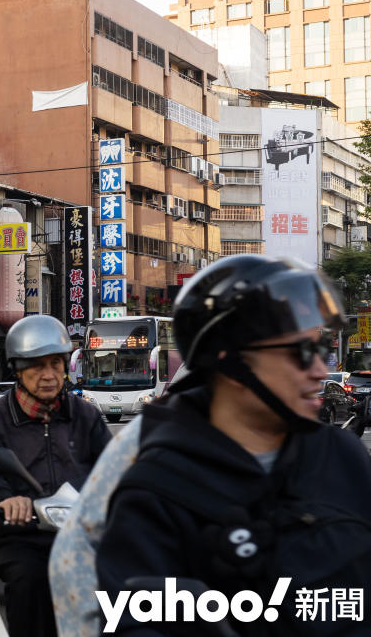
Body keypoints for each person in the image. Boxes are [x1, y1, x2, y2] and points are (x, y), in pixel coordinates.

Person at [95, 255, 371, 635]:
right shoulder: (157, 492)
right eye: (300, 353)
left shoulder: (344, 457)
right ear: (232, 363)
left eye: (319, 349)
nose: (321, 371)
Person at [0, 314, 111, 637]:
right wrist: (6, 500)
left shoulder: (85, 415)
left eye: (56, 365)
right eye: (37, 366)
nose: (49, 375)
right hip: (22, 536)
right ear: (17, 369)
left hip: (82, 534)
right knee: (30, 581)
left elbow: (112, 467)